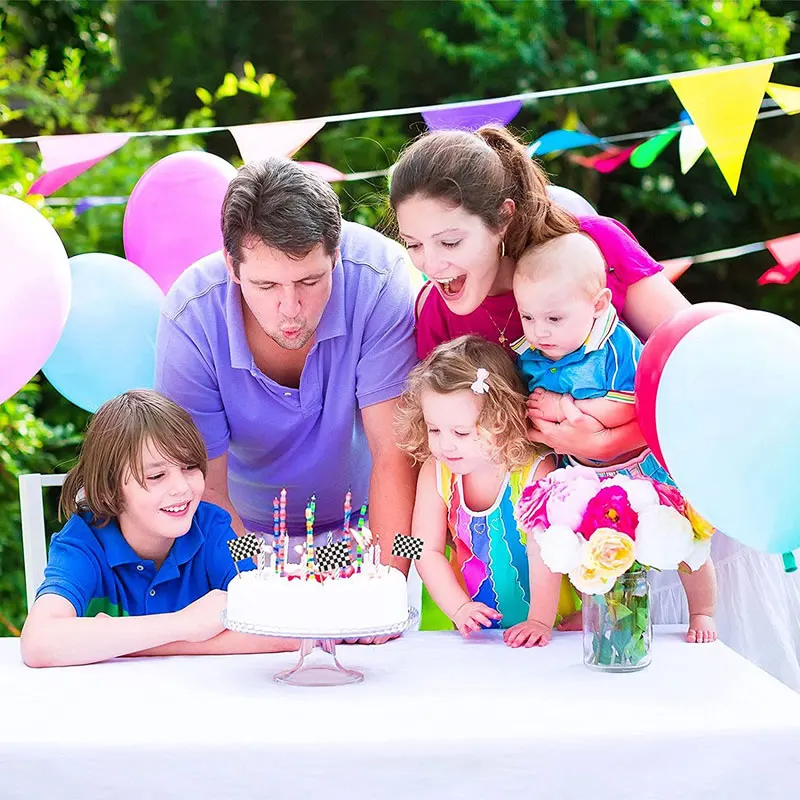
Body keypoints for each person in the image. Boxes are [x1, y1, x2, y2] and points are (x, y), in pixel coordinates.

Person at [155, 157, 417, 575]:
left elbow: (397, 454)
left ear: (336, 256)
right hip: (241, 533)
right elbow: (204, 491)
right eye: (266, 285)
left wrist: (387, 585)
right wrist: (260, 589)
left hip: (376, 529)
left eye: (309, 282)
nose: (290, 309)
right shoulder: (191, 315)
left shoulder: (381, 278)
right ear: (232, 266)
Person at [389, 124, 690, 465]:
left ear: (502, 217)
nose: (430, 264)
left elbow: (695, 364)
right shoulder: (434, 312)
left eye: (450, 242)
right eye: (413, 244)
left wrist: (614, 441)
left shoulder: (595, 247)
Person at [512, 233, 717, 644]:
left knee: (681, 536)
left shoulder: (615, 345)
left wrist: (563, 407)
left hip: (641, 465)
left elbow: (630, 406)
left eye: (553, 319)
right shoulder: (532, 352)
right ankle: (599, 613)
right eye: (528, 317)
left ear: (599, 304)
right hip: (583, 471)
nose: (539, 331)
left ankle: (703, 610)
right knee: (595, 544)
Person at [20, 390, 297, 668]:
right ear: (111, 488)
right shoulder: (80, 541)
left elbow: (281, 627)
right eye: (156, 475)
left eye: (190, 466)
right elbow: (38, 642)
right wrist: (184, 624)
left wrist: (125, 645)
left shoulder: (216, 524)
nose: (182, 488)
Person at [395, 335, 574, 647]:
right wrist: (459, 608)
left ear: (501, 421)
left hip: (545, 622)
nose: (445, 444)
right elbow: (424, 548)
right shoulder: (436, 471)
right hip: (463, 627)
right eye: (434, 429)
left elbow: (543, 550)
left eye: (461, 432)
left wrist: (539, 620)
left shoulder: (535, 471)